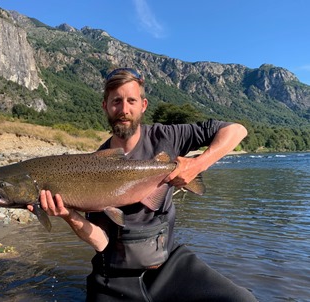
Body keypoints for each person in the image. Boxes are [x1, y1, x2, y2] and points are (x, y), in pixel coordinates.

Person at [29, 68, 258, 301]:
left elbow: (237, 130)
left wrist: (197, 165)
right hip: (114, 274)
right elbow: (101, 241)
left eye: (131, 101)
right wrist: (68, 215)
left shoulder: (168, 136)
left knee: (242, 299)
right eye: (116, 101)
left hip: (168, 265)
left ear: (144, 105)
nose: (124, 109)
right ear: (105, 106)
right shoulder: (90, 165)